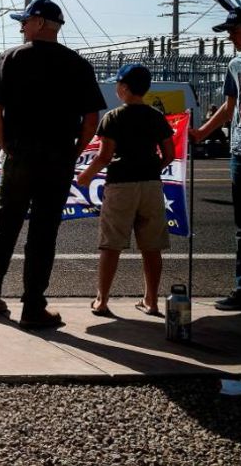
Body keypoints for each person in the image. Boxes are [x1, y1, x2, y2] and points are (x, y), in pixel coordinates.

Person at [0, 0, 106, 328]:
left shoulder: (10, 58)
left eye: (24, 21)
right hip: (58, 158)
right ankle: (33, 307)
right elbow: (91, 118)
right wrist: (75, 150)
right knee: (43, 232)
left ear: (39, 23)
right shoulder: (77, 64)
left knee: (4, 225)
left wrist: (6, 145)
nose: (21, 27)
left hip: (20, 155)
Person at [75, 64, 174, 317]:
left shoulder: (113, 117)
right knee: (151, 247)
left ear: (124, 88)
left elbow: (104, 156)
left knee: (112, 244)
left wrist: (84, 178)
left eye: (118, 84)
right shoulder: (156, 116)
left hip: (121, 186)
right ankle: (151, 300)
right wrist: (151, 167)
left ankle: (102, 299)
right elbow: (169, 154)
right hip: (151, 185)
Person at [191, 5, 241, 311]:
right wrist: (201, 133)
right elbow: (229, 108)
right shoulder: (236, 65)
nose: (231, 36)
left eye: (235, 30)